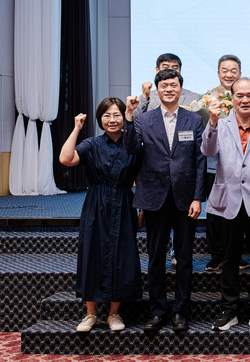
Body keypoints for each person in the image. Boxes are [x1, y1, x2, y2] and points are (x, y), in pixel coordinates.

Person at [123, 69, 206, 334]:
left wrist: (198, 197)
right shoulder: (143, 120)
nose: (169, 89)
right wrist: (128, 116)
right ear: (157, 91)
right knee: (156, 257)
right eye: (164, 85)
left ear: (181, 89)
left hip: (185, 198)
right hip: (154, 197)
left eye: (173, 85)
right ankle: (157, 311)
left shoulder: (194, 119)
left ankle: (181, 311)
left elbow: (200, 161)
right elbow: (130, 148)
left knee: (184, 258)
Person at [201, 78, 250, 332]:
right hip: (228, 201)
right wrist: (212, 123)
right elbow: (208, 151)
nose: (245, 100)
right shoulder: (220, 124)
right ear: (232, 97)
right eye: (239, 95)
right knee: (229, 258)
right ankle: (229, 309)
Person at [59, 97, 142, 333]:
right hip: (96, 204)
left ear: (124, 118)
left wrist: (142, 210)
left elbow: (143, 180)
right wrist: (76, 128)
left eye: (117, 115)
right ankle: (90, 314)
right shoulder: (92, 144)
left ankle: (114, 314)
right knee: (91, 254)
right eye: (107, 115)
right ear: (100, 119)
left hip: (124, 203)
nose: (112, 120)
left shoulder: (133, 145)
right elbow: (66, 159)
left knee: (122, 256)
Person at [198, 54, 245, 272]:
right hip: (213, 165)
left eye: (233, 71)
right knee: (215, 212)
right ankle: (216, 255)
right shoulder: (207, 99)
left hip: (240, 166)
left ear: (240, 74)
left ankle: (236, 254)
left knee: (239, 211)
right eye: (225, 70)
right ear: (218, 73)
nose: (229, 74)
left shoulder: (245, 98)